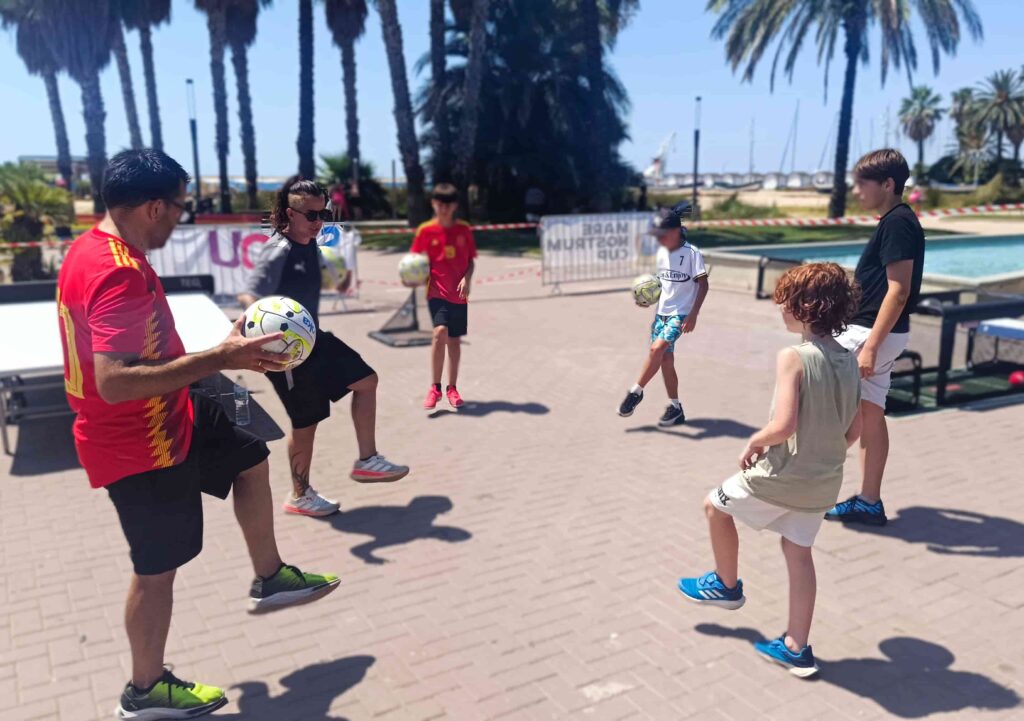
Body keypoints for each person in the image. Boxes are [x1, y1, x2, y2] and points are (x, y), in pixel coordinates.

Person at [57, 150, 339, 719]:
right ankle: (145, 690)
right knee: (158, 570)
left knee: (249, 452)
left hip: (175, 406)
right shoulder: (117, 270)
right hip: (139, 438)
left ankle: (270, 575)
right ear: (155, 206)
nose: (180, 220)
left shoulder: (95, 247)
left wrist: (224, 347)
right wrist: (221, 357)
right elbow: (113, 382)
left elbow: (137, 346)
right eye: (181, 210)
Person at [678, 263, 863, 678]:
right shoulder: (850, 360)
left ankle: (726, 586)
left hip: (783, 474)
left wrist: (756, 441)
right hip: (825, 482)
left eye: (785, 300)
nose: (779, 307)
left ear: (807, 307)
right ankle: (797, 648)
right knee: (798, 553)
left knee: (714, 507)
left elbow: (783, 426)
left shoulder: (793, 357)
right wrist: (825, 453)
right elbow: (856, 429)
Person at [239, 177, 408, 518]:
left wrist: (339, 279)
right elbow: (250, 295)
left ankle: (367, 460)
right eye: (312, 216)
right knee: (306, 423)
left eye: (324, 214)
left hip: (314, 338)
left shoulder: (309, 246)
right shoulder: (278, 250)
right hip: (287, 352)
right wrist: (257, 337)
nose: (319, 222)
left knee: (367, 380)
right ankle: (300, 495)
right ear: (290, 213)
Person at [824, 149, 925, 527]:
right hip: (881, 335)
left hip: (870, 334)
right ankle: (868, 501)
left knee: (810, 397)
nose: (856, 191)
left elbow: (898, 291)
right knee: (870, 417)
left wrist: (870, 347)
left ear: (887, 184)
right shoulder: (896, 221)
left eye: (862, 184)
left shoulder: (898, 223)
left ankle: (794, 484)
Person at [618, 203, 708, 425]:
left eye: (662, 235)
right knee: (666, 360)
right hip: (662, 314)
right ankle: (676, 408)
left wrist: (693, 315)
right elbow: (663, 284)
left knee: (655, 348)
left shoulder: (691, 254)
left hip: (681, 314)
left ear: (676, 231)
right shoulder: (661, 253)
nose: (658, 240)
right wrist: (647, 299)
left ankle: (635, 392)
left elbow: (703, 285)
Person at [410, 183, 477, 411]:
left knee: (455, 341)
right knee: (440, 333)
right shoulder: (426, 231)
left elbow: (471, 262)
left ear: (455, 206)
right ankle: (435, 387)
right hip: (436, 293)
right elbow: (415, 262)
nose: (444, 209)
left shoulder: (464, 231)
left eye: (448, 205)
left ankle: (452, 388)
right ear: (434, 204)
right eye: (439, 204)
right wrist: (413, 276)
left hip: (458, 294)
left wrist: (466, 279)